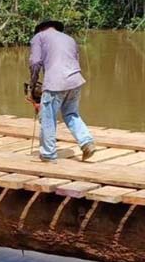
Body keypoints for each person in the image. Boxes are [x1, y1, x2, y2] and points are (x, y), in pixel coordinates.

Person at [29, 20, 96, 162]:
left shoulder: (39, 37)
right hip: (75, 80)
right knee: (71, 113)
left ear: (41, 29)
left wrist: (33, 84)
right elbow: (75, 60)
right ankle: (86, 142)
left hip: (55, 82)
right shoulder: (69, 39)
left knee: (48, 117)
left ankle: (48, 154)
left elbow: (35, 62)